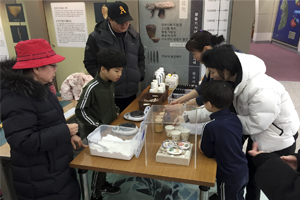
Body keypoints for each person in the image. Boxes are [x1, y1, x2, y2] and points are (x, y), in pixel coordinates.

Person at [175, 44, 299, 200]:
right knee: (252, 178)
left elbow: (255, 123)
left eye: (212, 72)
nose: (211, 77)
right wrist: (187, 117)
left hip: (278, 140)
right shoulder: (233, 81)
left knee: (274, 186)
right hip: (258, 139)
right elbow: (217, 108)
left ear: (225, 70)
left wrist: (220, 123)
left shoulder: (262, 88)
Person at [0, 39, 87, 200]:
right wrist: (64, 131)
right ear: (36, 68)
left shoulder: (42, 89)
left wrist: (69, 135)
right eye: (52, 65)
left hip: (55, 170)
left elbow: (51, 122)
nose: (55, 69)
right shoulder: (15, 99)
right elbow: (23, 142)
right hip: (40, 180)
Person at [76, 49, 126, 200]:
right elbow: (80, 111)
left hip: (108, 130)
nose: (120, 75)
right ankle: (94, 194)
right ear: (103, 69)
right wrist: (98, 126)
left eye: (121, 71)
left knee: (105, 161)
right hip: (96, 133)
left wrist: (116, 111)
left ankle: (102, 184)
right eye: (117, 71)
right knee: (98, 164)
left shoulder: (110, 83)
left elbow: (110, 103)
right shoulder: (91, 87)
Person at [84, 1, 145, 112]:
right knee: (114, 124)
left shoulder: (134, 35)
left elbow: (141, 56)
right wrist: (104, 81)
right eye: (120, 22)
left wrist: (140, 74)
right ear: (110, 19)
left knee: (131, 122)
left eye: (127, 21)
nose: (125, 24)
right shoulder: (96, 37)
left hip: (132, 90)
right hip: (110, 92)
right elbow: (89, 62)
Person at [199, 80, 248, 200]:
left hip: (228, 175)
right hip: (242, 168)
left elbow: (207, 152)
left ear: (209, 105)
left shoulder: (210, 126)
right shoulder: (235, 118)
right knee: (238, 196)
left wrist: (199, 143)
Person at [165, 30, 225, 112]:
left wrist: (183, 106)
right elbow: (202, 87)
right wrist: (181, 100)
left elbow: (209, 96)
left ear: (205, 49)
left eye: (194, 53)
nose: (194, 58)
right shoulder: (211, 63)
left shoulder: (220, 66)